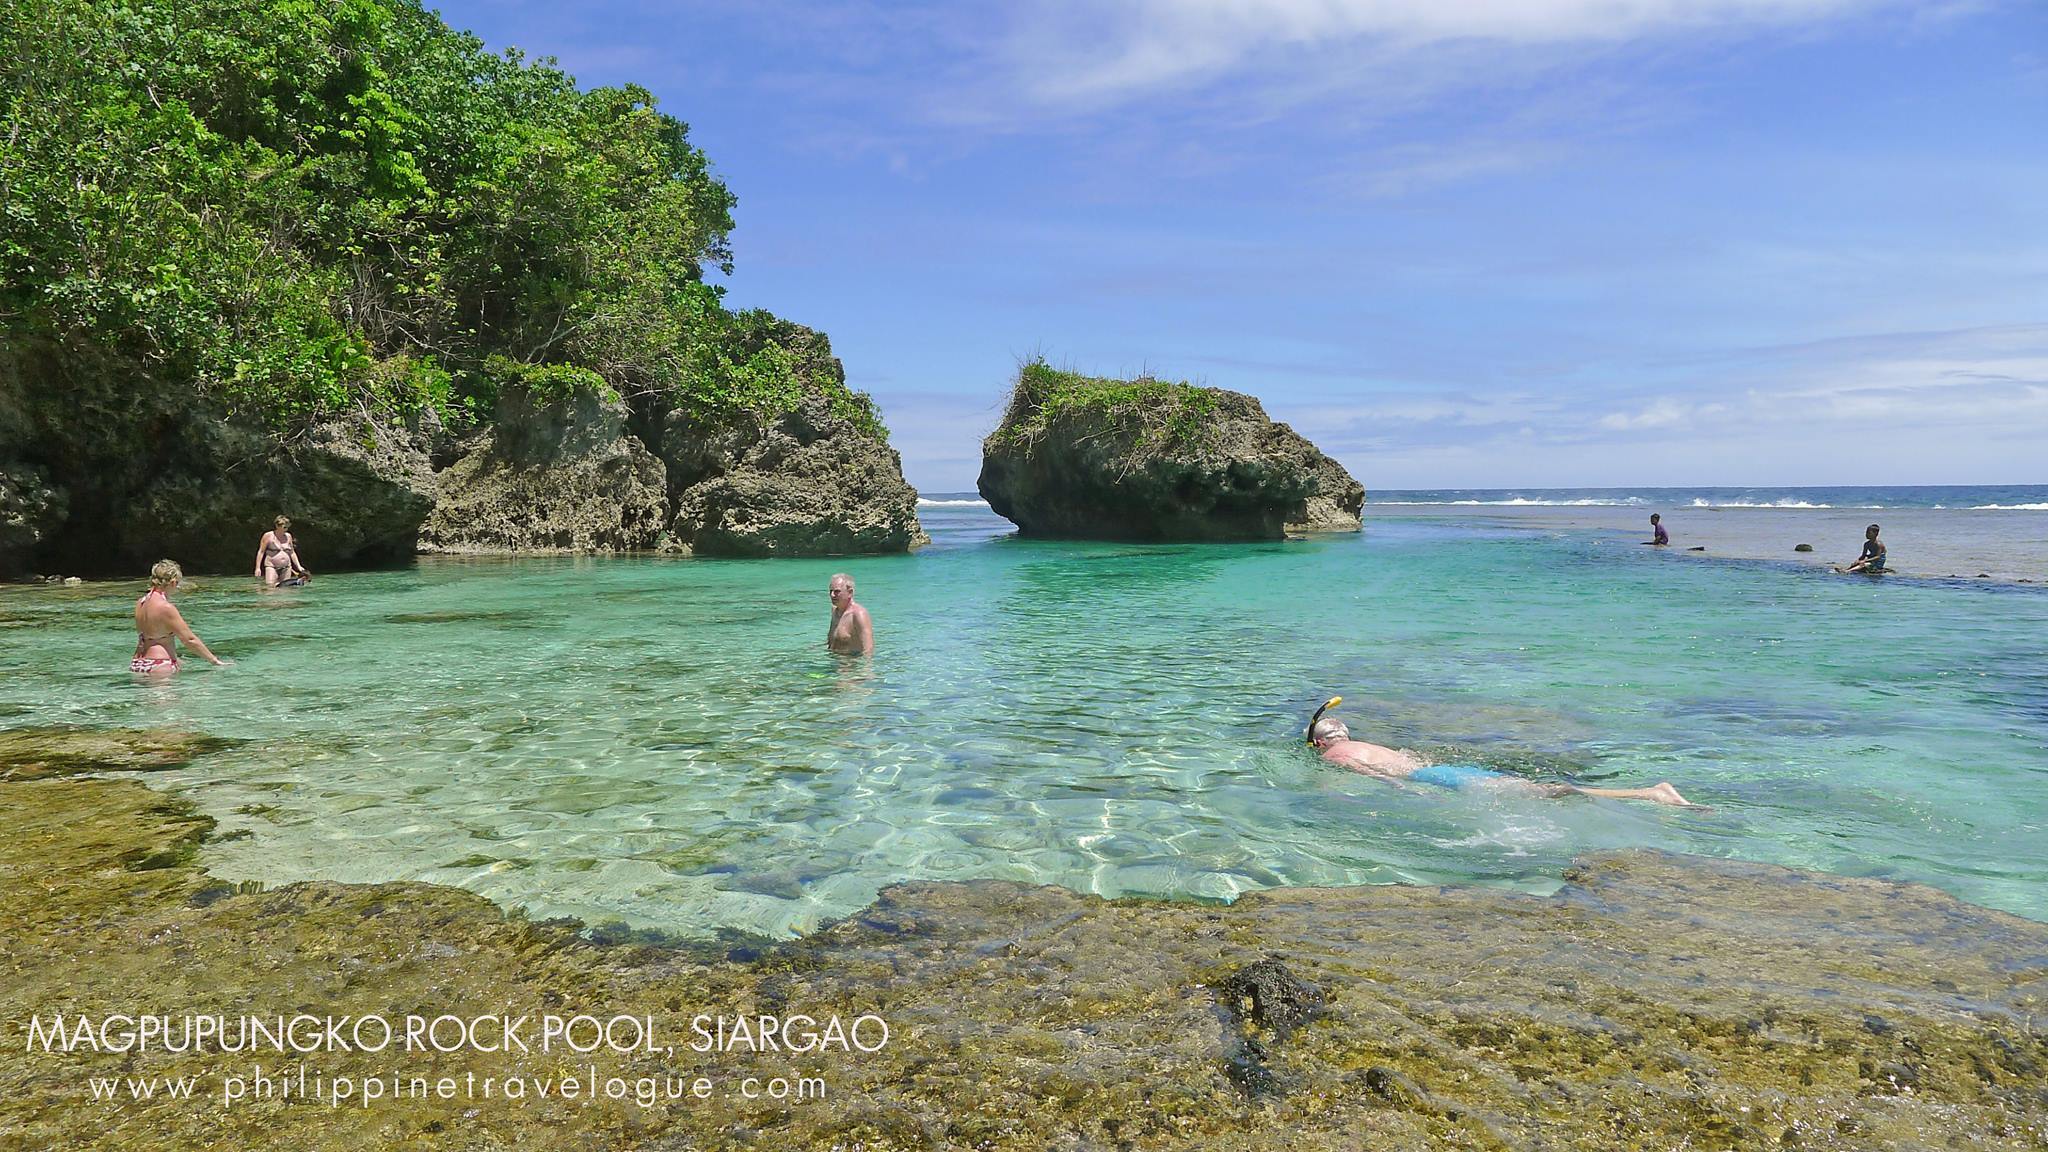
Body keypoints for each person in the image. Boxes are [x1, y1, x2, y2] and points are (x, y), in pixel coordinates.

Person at [1309, 714, 1693, 807]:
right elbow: (1407, 759)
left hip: (1435, 780)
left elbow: (1377, 776)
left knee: (1551, 792)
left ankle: (1651, 793)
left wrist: (1405, 791)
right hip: (1441, 770)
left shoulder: (1336, 756)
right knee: (1536, 791)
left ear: (1321, 743)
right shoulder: (1368, 742)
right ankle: (1646, 793)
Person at [132, 560, 231, 674]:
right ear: (173, 582)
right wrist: (215, 661)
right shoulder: (166, 608)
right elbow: (189, 640)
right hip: (159, 664)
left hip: (138, 663)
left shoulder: (141, 603)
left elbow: (148, 637)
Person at [254, 515, 311, 586]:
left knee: (285, 588)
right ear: (277, 526)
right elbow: (261, 552)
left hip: (286, 567)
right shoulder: (268, 536)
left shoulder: (288, 536)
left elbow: (292, 552)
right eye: (284, 527)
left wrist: (298, 566)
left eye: (287, 527)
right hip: (271, 566)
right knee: (270, 586)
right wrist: (258, 568)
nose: (286, 529)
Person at [826, 572, 873, 655]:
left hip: (850, 664)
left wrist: (864, 667)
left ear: (850, 592)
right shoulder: (835, 611)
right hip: (833, 662)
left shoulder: (858, 614)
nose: (832, 595)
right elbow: (832, 641)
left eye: (837, 591)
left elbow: (868, 649)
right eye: (831, 591)